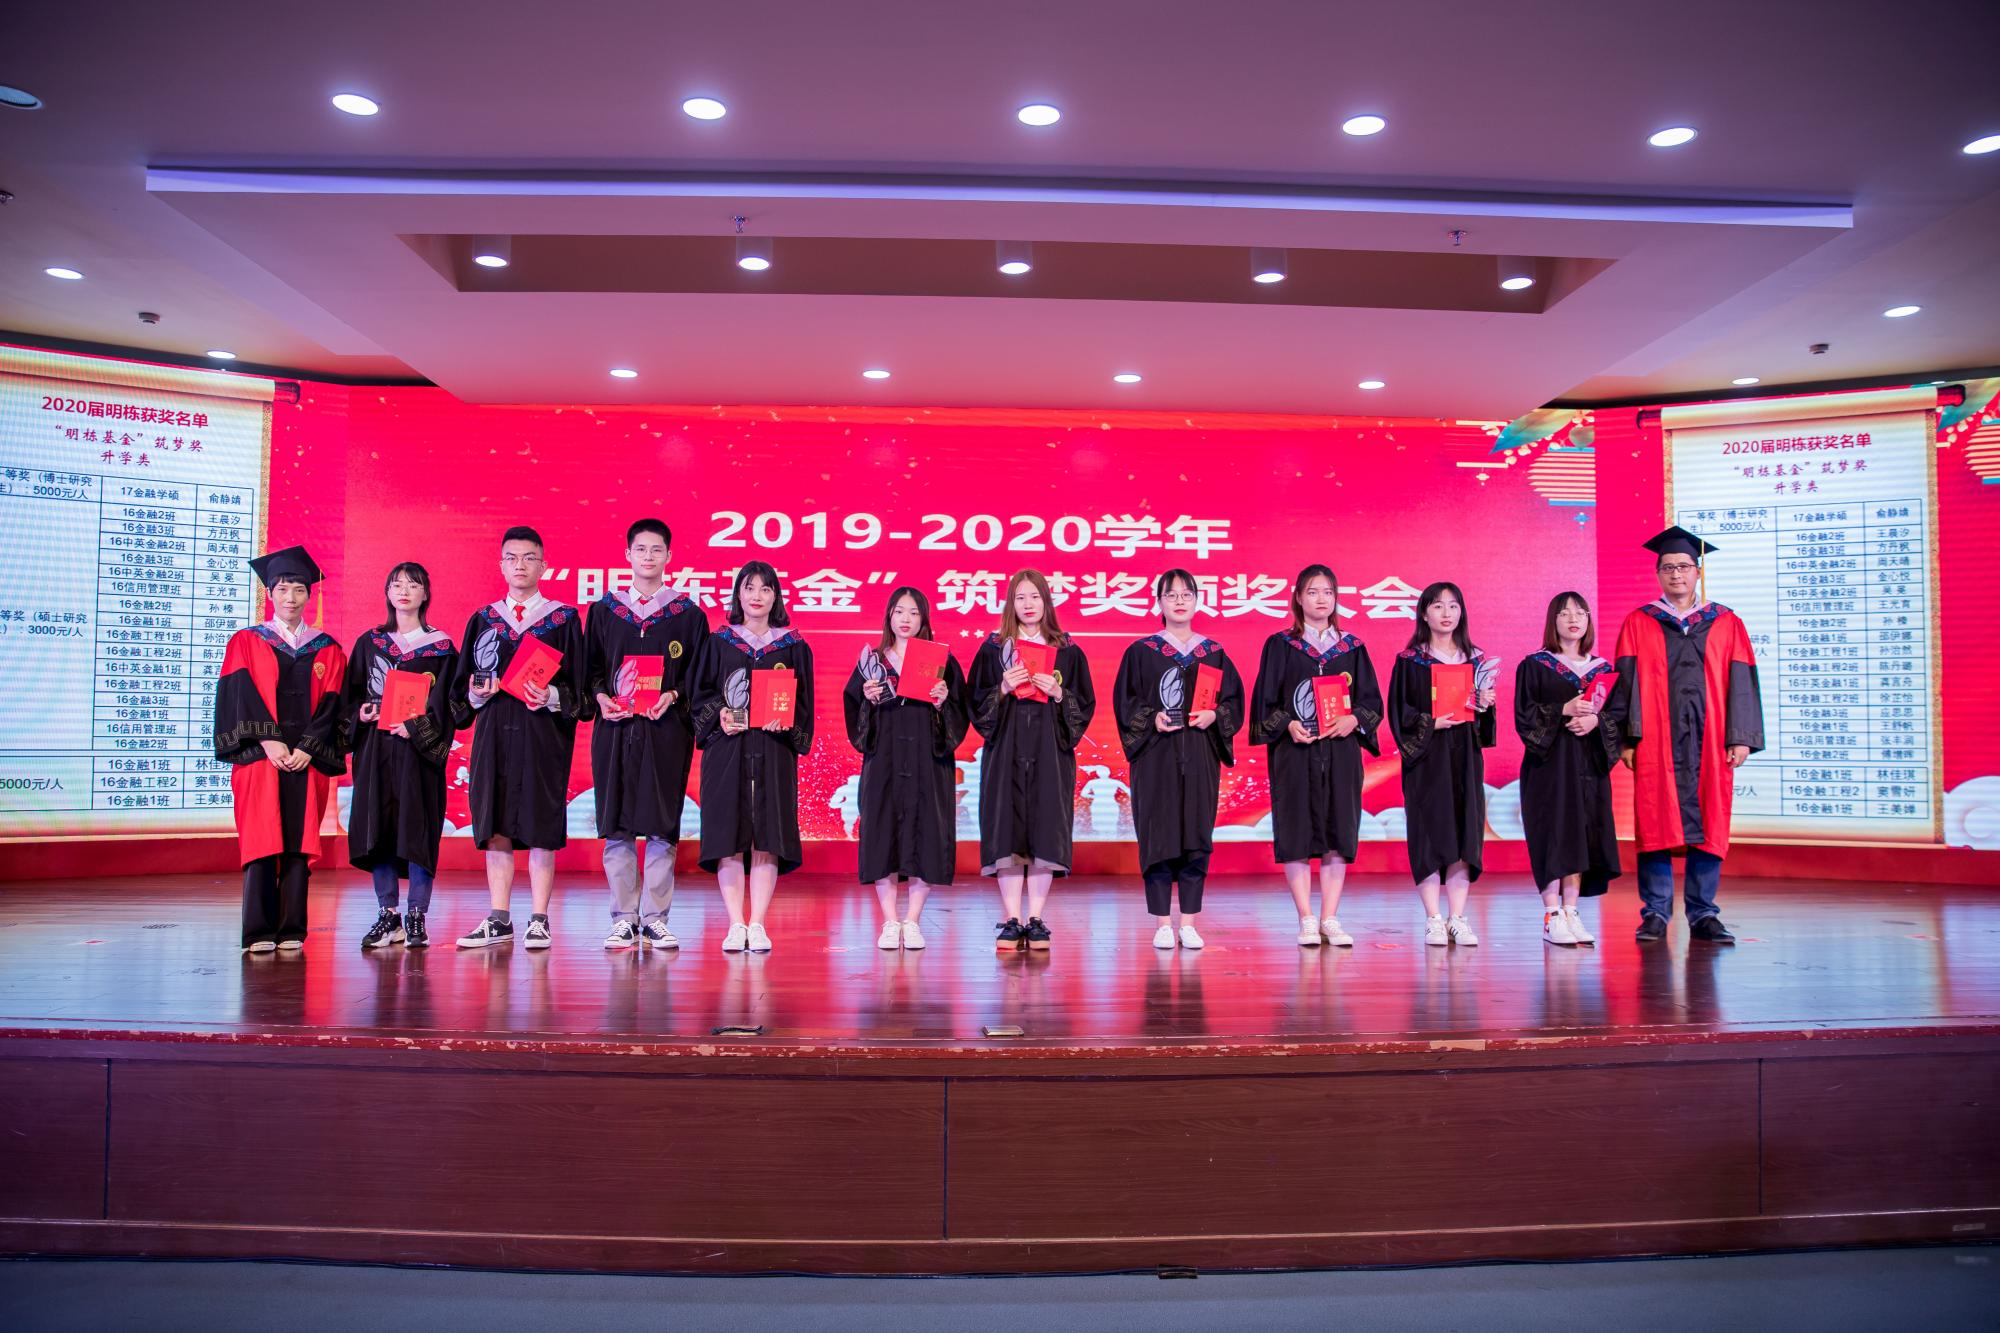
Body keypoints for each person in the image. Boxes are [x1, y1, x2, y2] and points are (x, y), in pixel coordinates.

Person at [1607, 526, 1765, 944]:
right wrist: (1626, 739)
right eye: (1667, 568)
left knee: (1710, 818)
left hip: (1710, 740)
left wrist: (1740, 735)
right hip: (1655, 740)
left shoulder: (1726, 622)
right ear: (1658, 574)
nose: (1676, 574)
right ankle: (1655, 913)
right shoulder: (1639, 622)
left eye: (1683, 566)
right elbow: (1625, 683)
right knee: (1654, 820)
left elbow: (1742, 681)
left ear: (1698, 572)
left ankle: (1703, 913)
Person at [450, 526, 588, 950]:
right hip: (494, 734)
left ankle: (540, 919)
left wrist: (551, 696)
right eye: (512, 558)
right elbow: (461, 693)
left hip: (542, 736)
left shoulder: (562, 619)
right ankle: (499, 917)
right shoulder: (484, 619)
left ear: (544, 566)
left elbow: (580, 690)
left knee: (541, 824)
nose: (520, 565)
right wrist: (477, 694)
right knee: (495, 824)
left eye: (529, 558)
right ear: (501, 565)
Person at [583, 519, 710, 952]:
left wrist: (673, 695)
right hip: (615, 728)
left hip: (664, 730)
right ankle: (623, 918)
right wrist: (600, 697)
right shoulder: (605, 612)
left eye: (657, 550)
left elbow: (699, 676)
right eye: (641, 549)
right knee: (617, 824)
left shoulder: (688, 616)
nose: (649, 557)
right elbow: (590, 669)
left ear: (669, 556)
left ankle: (655, 918)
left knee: (661, 825)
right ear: (628, 555)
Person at [213, 545, 348, 952]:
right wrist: (268, 740)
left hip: (306, 761)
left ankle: (292, 928)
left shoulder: (327, 648)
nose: (291, 597)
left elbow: (333, 704)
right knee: (262, 838)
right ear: (270, 593)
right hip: (259, 759)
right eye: (283, 589)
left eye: (299, 589)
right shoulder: (246, 641)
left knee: (298, 841)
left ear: (309, 595)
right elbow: (239, 696)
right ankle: (257, 931)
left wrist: (308, 746)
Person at [1248, 564, 1383, 947]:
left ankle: (1330, 918)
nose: (1321, 599)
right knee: (1295, 831)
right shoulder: (1281, 645)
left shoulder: (1352, 647)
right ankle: (1306, 917)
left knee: (1339, 831)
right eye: (1312, 592)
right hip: (1295, 753)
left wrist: (1354, 720)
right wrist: (1288, 724)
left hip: (1340, 752)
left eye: (1327, 592)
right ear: (1298, 598)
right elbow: (1264, 703)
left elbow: (1371, 701)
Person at [1112, 569, 1245, 950]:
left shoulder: (1213, 653)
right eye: (1171, 595)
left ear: (1198, 600)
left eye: (1187, 594)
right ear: (1159, 603)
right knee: (1159, 837)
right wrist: (1150, 717)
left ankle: (1188, 922)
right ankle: (1162, 923)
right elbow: (1125, 702)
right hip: (1156, 757)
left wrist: (1215, 715)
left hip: (1200, 754)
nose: (1180, 601)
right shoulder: (1141, 652)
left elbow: (1234, 702)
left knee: (1196, 836)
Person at [968, 569, 1096, 951]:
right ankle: (1012, 919)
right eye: (1020, 597)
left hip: (1049, 752)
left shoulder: (1067, 651)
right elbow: (974, 705)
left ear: (1046, 602)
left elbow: (1084, 706)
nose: (1028, 604)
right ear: (1011, 603)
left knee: (1045, 829)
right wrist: (1002, 688)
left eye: (1035, 597)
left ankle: (1036, 918)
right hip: (1005, 751)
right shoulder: (993, 649)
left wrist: (1059, 693)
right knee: (1006, 830)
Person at [689, 561, 814, 953]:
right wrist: (720, 715)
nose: (757, 596)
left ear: (776, 596)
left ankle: (757, 923)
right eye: (749, 588)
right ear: (738, 594)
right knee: (728, 835)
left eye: (765, 588)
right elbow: (699, 695)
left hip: (773, 751)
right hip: (727, 750)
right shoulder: (719, 642)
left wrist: (786, 722)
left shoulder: (792, 646)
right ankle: (735, 923)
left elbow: (804, 704)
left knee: (767, 835)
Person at [842, 586, 969, 950]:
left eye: (914, 612)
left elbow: (960, 713)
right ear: (889, 616)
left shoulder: (940, 661)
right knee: (882, 833)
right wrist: (867, 700)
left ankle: (912, 920)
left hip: (928, 760)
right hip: (884, 760)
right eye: (899, 611)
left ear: (923, 619)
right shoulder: (873, 662)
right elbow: (853, 709)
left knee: (925, 833)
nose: (906, 619)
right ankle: (889, 920)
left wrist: (943, 702)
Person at [345, 562, 460, 950]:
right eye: (397, 585)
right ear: (387, 593)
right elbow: (350, 696)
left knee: (418, 829)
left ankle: (417, 916)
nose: (404, 591)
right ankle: (388, 914)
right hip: (377, 750)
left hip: (417, 754)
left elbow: (449, 705)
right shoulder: (370, 642)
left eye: (413, 585)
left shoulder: (441, 648)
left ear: (425, 594)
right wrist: (361, 714)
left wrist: (416, 727)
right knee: (379, 830)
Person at [1387, 581, 1497, 947]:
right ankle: (1433, 918)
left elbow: (1484, 725)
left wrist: (1485, 703)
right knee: (1429, 832)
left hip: (1465, 757)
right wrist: (1430, 723)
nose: (1446, 613)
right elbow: (1399, 712)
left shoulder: (1475, 660)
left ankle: (1458, 918)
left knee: (1465, 832)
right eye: (1437, 606)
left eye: (1453, 606)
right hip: (1427, 759)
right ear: (1423, 613)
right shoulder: (1410, 661)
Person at [1515, 591, 1621, 947]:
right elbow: (1524, 715)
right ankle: (1551, 914)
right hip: (1549, 766)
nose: (1573, 619)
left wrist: (1595, 721)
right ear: (1553, 621)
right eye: (1564, 613)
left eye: (1580, 612)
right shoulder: (1535, 665)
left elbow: (1618, 716)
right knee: (1554, 833)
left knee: (1581, 835)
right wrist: (1564, 709)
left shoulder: (1604, 670)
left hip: (1588, 765)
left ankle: (1572, 911)